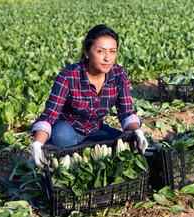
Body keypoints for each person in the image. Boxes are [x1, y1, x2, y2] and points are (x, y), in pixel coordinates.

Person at [31, 24, 148, 169]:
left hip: (95, 130)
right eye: (100, 51)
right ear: (86, 51)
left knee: (126, 142)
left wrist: (136, 131)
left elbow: (126, 112)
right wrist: (37, 144)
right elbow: (50, 114)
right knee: (61, 133)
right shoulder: (68, 76)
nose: (107, 58)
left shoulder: (119, 74)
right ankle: (66, 161)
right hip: (66, 130)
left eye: (112, 51)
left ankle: (81, 159)